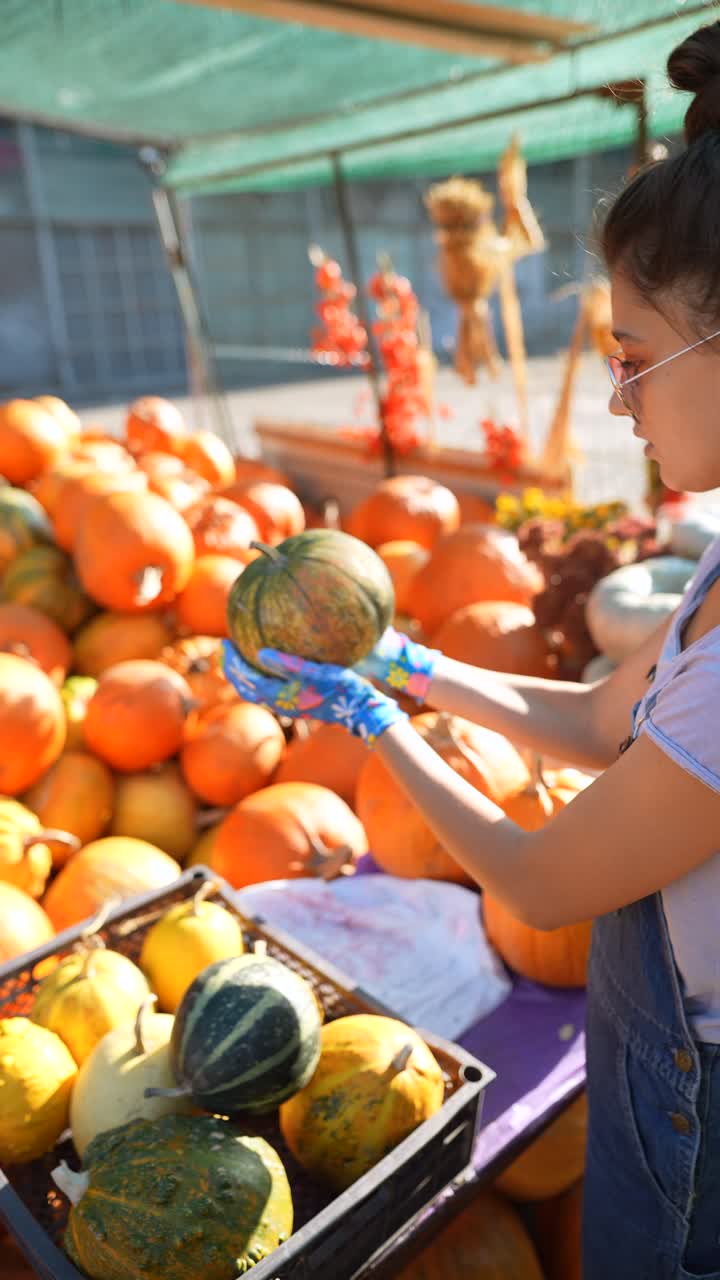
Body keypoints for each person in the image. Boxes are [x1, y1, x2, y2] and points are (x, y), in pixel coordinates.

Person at [222, 22, 720, 1279]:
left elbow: (545, 885)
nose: (620, 404)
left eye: (633, 361)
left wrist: (380, 729)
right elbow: (602, 720)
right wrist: (406, 669)